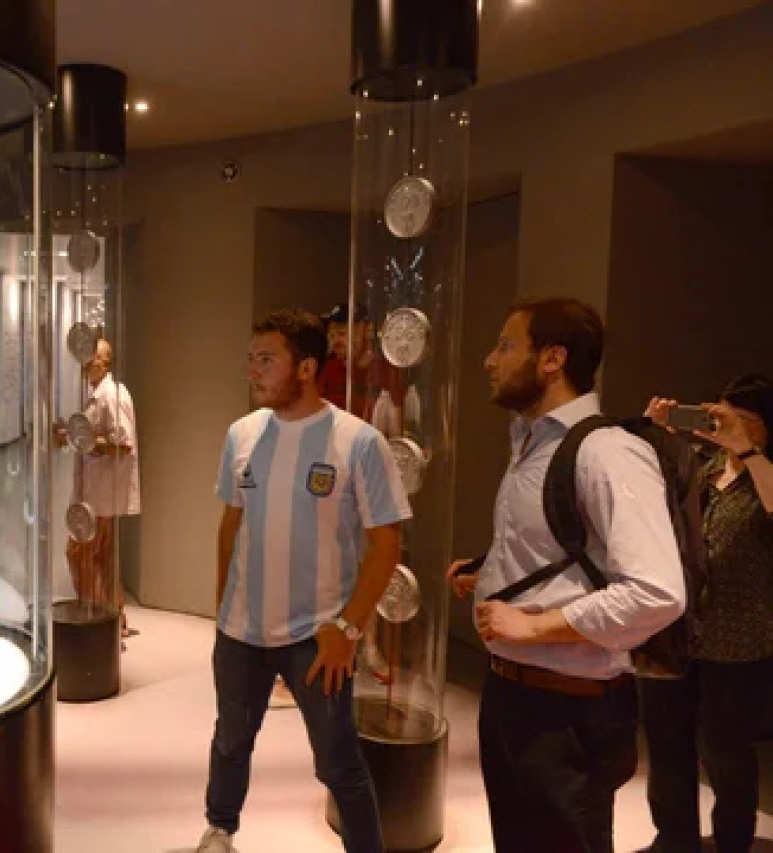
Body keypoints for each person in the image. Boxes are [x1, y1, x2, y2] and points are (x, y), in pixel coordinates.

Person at [447, 297, 686, 853]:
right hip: (511, 697)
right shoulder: (529, 441)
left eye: (505, 346)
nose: (490, 360)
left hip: (570, 712)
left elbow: (657, 592)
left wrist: (533, 626)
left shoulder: (608, 453)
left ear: (552, 358)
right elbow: (565, 549)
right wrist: (488, 574)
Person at [195, 308, 410, 853]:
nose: (253, 370)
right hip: (241, 631)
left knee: (338, 761)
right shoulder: (242, 434)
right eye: (251, 358)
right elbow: (231, 525)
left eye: (267, 359)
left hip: (318, 635)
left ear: (308, 367)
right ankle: (220, 830)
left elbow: (387, 544)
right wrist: (224, 608)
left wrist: (350, 627)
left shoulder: (357, 441)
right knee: (230, 741)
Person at [639, 374, 773, 853]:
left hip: (738, 642)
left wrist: (750, 452)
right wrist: (659, 435)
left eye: (741, 419)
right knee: (666, 742)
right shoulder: (703, 465)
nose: (725, 425)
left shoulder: (765, 475)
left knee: (725, 754)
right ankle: (673, 839)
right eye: (719, 413)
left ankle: (733, 842)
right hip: (677, 630)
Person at [55, 338, 140, 635]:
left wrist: (86, 441)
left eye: (93, 358)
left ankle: (94, 619)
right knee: (101, 557)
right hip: (97, 492)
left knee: (79, 554)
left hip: (101, 494)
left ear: (106, 363)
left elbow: (123, 444)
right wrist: (72, 435)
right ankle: (115, 620)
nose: (86, 363)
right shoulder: (100, 394)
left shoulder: (112, 395)